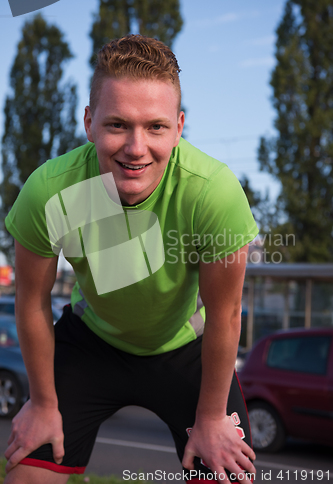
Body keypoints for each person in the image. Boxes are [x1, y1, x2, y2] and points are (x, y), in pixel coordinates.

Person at [4, 35, 258, 484]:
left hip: (187, 349)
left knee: (229, 477)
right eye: (118, 124)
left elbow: (226, 314)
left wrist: (213, 417)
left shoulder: (214, 193)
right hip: (91, 343)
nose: (136, 148)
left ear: (179, 126)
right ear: (88, 121)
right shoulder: (50, 191)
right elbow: (31, 303)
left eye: (156, 127)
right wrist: (43, 403)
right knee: (26, 475)